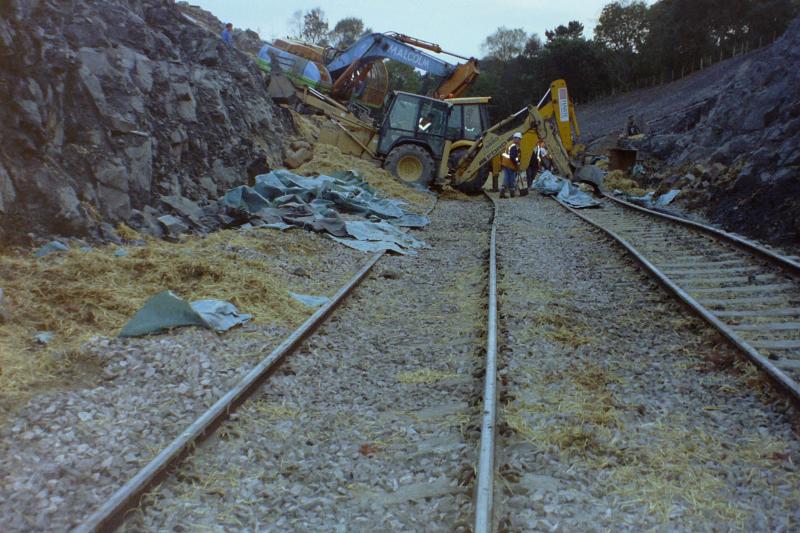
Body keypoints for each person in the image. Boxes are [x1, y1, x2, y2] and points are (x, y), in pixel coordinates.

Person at [500, 132, 522, 198]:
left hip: (506, 163)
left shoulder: (510, 144)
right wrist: (517, 164)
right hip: (510, 164)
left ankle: (503, 192)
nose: (520, 140)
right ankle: (511, 193)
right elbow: (513, 156)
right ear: (516, 139)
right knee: (511, 179)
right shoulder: (513, 146)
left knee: (507, 178)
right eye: (519, 139)